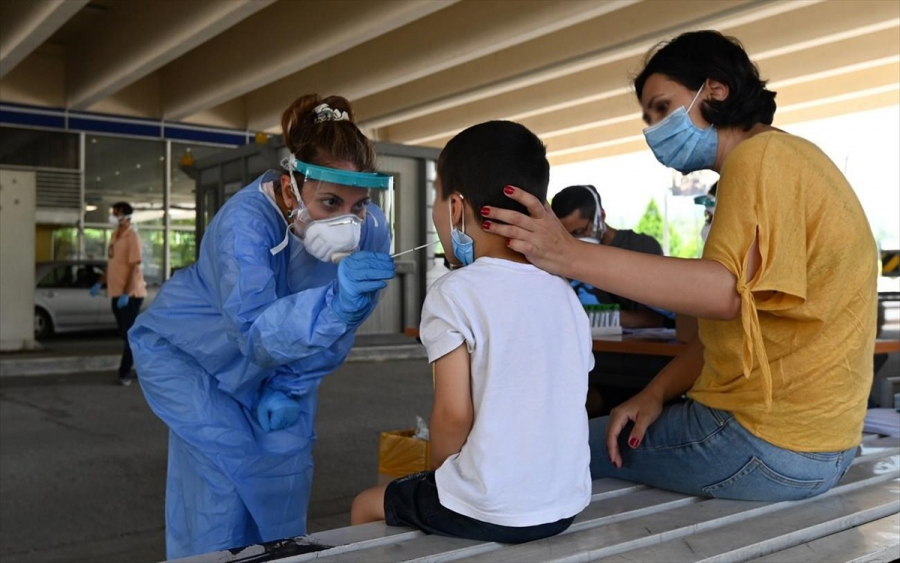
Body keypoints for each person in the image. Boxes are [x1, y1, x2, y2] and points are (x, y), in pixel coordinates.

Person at [479, 31, 877, 501]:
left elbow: (723, 293)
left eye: (663, 108)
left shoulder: (757, 158)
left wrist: (568, 253)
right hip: (822, 450)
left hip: (762, 442)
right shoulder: (793, 159)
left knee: (541, 446)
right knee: (599, 432)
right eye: (648, 118)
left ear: (716, 91)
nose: (653, 130)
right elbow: (738, 327)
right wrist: (655, 393)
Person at [128, 94, 395, 558]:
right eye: (330, 201)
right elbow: (252, 329)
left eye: (358, 203)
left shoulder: (368, 225)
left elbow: (341, 328)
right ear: (292, 187)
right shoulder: (244, 224)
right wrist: (335, 305)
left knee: (283, 479)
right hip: (190, 356)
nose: (347, 222)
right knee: (220, 488)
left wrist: (292, 387)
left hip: (280, 364)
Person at [350, 121, 593, 542]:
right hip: (565, 503)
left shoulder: (453, 292)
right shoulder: (563, 290)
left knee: (365, 505)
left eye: (435, 197)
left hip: (493, 508)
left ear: (456, 207)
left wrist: (443, 481)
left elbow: (452, 415)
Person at [551, 184, 670, 329]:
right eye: (566, 236)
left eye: (579, 232)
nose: (574, 241)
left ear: (600, 217)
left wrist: (595, 318)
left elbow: (653, 318)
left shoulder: (640, 247)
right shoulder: (562, 257)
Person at [90, 201, 146, 386]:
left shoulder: (133, 237)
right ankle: (142, 365)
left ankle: (124, 373)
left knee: (129, 335)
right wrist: (99, 283)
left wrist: (127, 292)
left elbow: (133, 267)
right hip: (116, 292)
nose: (113, 215)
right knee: (126, 334)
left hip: (130, 294)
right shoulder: (114, 236)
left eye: (116, 212)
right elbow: (112, 264)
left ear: (125, 216)